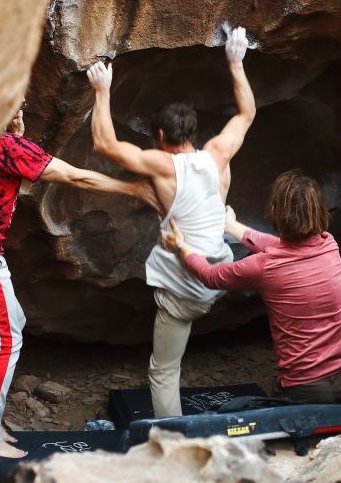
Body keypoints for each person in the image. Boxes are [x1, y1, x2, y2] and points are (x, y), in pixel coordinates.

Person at [86, 27, 256, 418]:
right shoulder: (216, 153)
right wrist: (235, 62)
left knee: (164, 371)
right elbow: (247, 113)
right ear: (194, 133)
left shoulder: (162, 166)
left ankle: (174, 445)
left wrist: (102, 91)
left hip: (185, 289)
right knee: (222, 181)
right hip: (221, 276)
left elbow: (104, 145)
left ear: (160, 135)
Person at [0, 109, 156, 459]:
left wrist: (15, 133)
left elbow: (8, 177)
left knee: (14, 327)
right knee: (7, 340)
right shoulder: (7, 146)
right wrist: (130, 187)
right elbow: (75, 177)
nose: (21, 105)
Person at [162, 170, 341, 406]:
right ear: (319, 211)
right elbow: (280, 248)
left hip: (306, 387)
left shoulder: (264, 266)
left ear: (275, 213)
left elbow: (211, 276)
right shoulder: (328, 245)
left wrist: (180, 246)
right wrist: (231, 226)